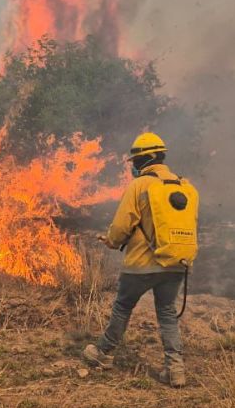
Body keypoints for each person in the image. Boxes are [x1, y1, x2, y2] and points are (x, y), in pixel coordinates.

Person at [83, 132, 197, 388]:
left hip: (141, 265)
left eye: (135, 161)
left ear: (144, 160)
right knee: (167, 313)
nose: (134, 166)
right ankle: (175, 370)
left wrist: (112, 241)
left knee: (123, 307)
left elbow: (123, 224)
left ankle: (104, 353)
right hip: (176, 263)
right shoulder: (185, 186)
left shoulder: (139, 186)